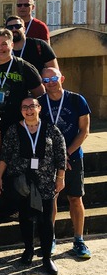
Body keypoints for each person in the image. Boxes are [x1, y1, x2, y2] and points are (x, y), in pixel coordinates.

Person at [0, 98, 66, 275]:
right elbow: (5, 154)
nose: (29, 110)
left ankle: (46, 257)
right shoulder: (14, 130)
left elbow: (60, 154)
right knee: (26, 218)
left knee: (46, 221)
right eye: (24, 107)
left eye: (32, 106)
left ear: (39, 108)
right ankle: (28, 250)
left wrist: (60, 178)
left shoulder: (51, 129)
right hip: (23, 183)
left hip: (45, 183)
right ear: (21, 111)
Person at [38, 68, 92, 259]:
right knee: (50, 199)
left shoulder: (77, 100)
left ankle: (79, 240)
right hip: (49, 160)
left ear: (62, 78)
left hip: (73, 157)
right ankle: (50, 238)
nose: (50, 82)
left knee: (75, 198)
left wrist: (66, 155)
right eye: (46, 80)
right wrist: (56, 157)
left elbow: (84, 131)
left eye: (53, 78)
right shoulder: (39, 103)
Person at [0, 29, 44, 134]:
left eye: (4, 44)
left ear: (12, 45)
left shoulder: (24, 67)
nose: (0, 48)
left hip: (17, 126)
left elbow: (40, 94)